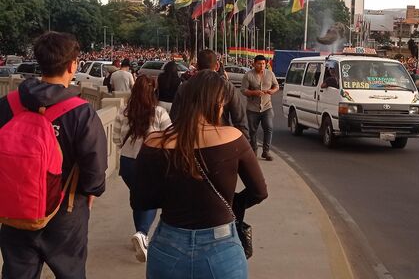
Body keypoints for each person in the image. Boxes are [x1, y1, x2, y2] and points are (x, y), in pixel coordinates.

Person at [133, 70, 268, 279]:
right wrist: (231, 204)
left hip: (168, 244)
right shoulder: (233, 138)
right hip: (221, 247)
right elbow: (259, 192)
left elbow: (140, 200)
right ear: (217, 103)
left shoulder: (154, 142)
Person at [0, 31, 108, 279]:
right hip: (65, 212)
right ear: (73, 65)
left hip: (15, 209)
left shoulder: (9, 104)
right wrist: (91, 191)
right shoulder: (81, 113)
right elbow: (94, 170)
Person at [113, 75, 171, 262]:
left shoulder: (124, 111)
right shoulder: (159, 112)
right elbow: (169, 138)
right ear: (153, 90)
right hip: (151, 162)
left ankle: (140, 235)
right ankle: (142, 233)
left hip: (128, 163)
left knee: (139, 197)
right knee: (151, 199)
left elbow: (115, 139)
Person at [170, 50, 248, 139]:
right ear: (217, 66)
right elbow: (240, 121)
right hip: (220, 139)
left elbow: (174, 119)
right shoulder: (226, 86)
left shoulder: (185, 87)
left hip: (191, 140)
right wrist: (244, 147)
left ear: (197, 66)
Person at [241, 55, 279, 161]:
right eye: (259, 64)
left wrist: (273, 91)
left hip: (267, 107)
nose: (261, 66)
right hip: (252, 108)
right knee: (253, 131)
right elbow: (243, 90)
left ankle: (266, 152)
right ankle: (254, 150)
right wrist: (254, 92)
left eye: (263, 64)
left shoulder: (270, 74)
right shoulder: (248, 75)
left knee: (269, 128)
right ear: (254, 64)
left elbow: (276, 86)